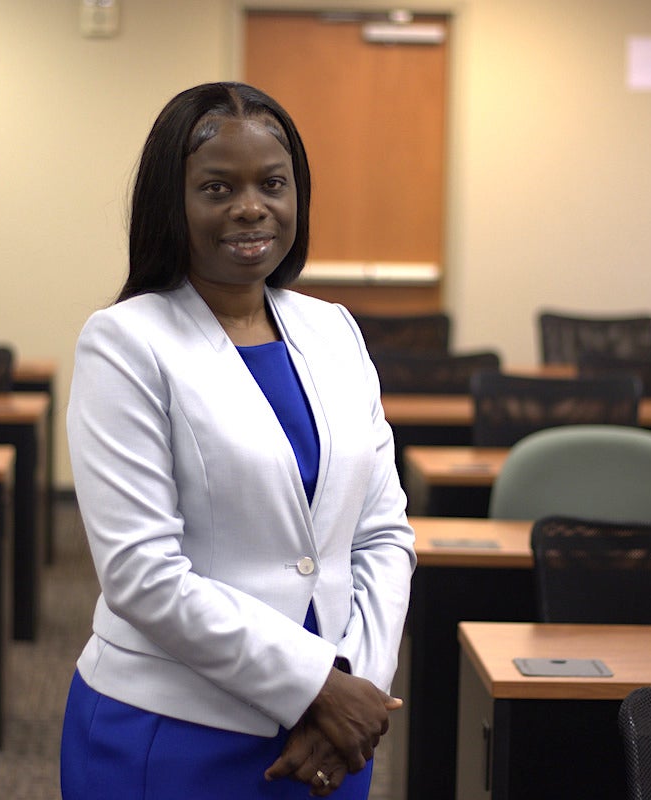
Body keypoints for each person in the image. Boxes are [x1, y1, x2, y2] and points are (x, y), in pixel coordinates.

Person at [61, 81, 416, 799]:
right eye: (217, 187)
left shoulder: (334, 331)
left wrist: (358, 686)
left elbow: (381, 538)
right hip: (172, 734)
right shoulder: (126, 344)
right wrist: (313, 683)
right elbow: (140, 573)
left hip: (335, 736)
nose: (251, 206)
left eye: (273, 184)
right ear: (174, 204)